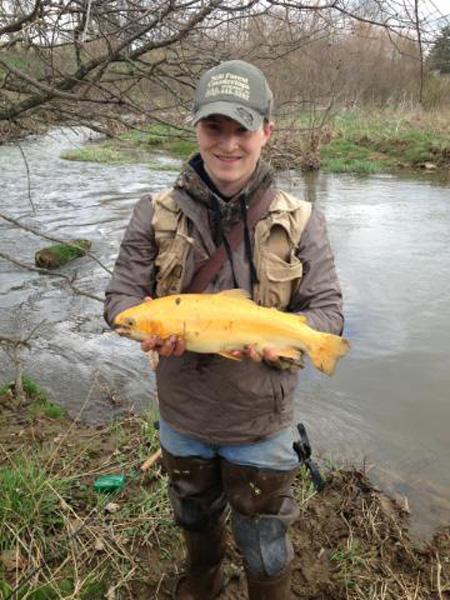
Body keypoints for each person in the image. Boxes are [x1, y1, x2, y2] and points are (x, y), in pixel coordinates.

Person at [104, 60, 344, 600]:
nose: (229, 143)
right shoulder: (153, 212)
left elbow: (328, 315)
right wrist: (141, 324)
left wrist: (285, 335)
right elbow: (119, 302)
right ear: (195, 127)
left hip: (262, 423)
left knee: (263, 537)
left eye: (242, 128)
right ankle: (202, 587)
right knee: (194, 520)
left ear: (267, 131)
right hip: (184, 416)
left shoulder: (302, 220)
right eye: (215, 127)